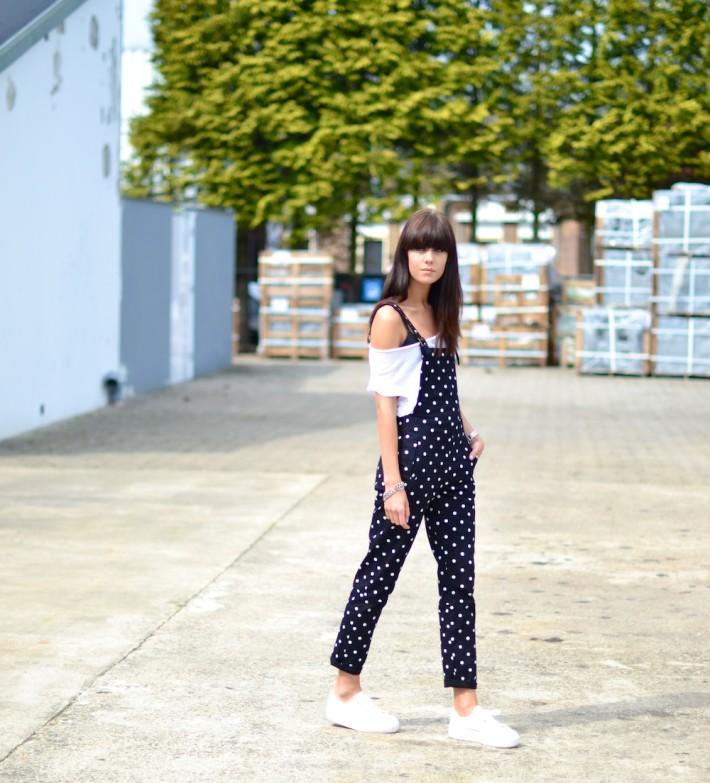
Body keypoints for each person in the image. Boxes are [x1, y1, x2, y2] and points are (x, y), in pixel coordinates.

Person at [325, 208, 520, 748]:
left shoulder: (442, 312)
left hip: (455, 467)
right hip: (410, 469)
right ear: (404, 254)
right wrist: (393, 484)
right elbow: (387, 406)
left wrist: (469, 429)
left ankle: (465, 708)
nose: (429, 258)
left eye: (439, 250)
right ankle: (344, 691)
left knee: (460, 584)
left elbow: (441, 391)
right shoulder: (391, 316)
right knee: (378, 575)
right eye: (420, 248)